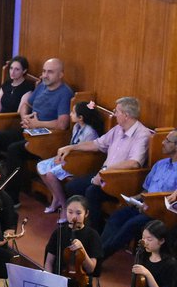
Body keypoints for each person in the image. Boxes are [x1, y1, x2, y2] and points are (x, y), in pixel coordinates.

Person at [0, 58, 74, 205]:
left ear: (60, 75)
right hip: (28, 130)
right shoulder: (42, 86)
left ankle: (12, 199)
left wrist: (38, 123)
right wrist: (24, 115)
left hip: (46, 138)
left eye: (50, 72)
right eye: (44, 71)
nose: (45, 75)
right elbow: (26, 104)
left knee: (14, 150)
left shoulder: (64, 93)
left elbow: (62, 124)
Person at [57, 96, 152, 232]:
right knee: (72, 186)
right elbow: (97, 144)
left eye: (117, 111)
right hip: (103, 174)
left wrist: (105, 171)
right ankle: (83, 223)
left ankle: (93, 232)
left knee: (92, 192)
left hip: (120, 180)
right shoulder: (117, 129)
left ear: (126, 115)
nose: (114, 113)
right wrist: (71, 147)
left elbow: (134, 163)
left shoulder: (142, 134)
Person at [102, 129, 177, 258]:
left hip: (159, 213)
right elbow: (146, 191)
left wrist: (150, 206)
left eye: (167, 141)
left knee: (130, 225)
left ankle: (100, 257)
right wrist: (133, 199)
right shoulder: (159, 165)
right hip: (142, 206)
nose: (163, 142)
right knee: (117, 217)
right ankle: (97, 250)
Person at [36, 101, 103, 219]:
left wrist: (63, 161)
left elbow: (83, 155)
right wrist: (60, 157)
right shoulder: (76, 127)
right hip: (69, 158)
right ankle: (56, 196)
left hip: (78, 163)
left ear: (81, 117)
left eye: (73, 112)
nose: (70, 114)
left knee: (51, 174)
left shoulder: (90, 133)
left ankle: (64, 205)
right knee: (41, 166)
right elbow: (72, 146)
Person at [43, 195, 102, 287]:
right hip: (59, 282)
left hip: (81, 286)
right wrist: (50, 280)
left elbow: (91, 269)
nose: (74, 217)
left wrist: (82, 250)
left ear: (86, 214)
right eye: (70, 212)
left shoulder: (92, 235)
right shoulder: (59, 232)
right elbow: (49, 262)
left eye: (78, 213)